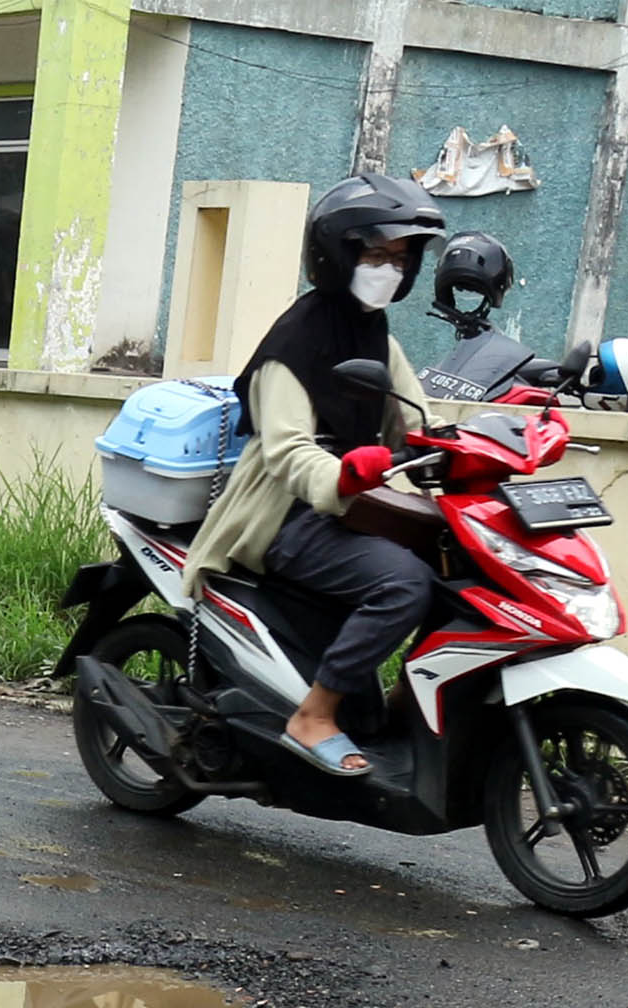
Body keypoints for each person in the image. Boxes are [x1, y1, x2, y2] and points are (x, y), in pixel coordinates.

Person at [186, 173, 445, 776]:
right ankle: (316, 715)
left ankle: (401, 706)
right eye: (378, 254)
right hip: (283, 515)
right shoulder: (295, 342)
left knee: (456, 565)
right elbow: (286, 452)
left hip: (354, 505)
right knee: (403, 583)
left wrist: (493, 441)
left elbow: (419, 419)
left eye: (401, 259)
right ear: (339, 253)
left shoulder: (375, 333)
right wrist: (346, 476)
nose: (391, 269)